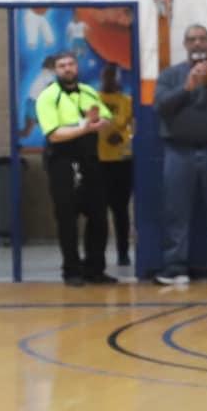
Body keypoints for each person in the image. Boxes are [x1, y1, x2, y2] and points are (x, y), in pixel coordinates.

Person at [154, 23, 207, 286]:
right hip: (178, 151)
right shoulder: (171, 75)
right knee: (175, 212)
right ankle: (175, 268)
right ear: (185, 44)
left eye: (202, 38)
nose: (198, 43)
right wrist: (188, 87)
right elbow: (161, 107)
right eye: (192, 39)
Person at [33, 49, 111, 287]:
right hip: (62, 162)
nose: (68, 69)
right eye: (62, 65)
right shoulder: (48, 97)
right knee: (67, 217)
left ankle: (95, 269)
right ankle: (72, 271)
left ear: (77, 67)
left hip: (90, 159)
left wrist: (99, 123)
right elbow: (54, 134)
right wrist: (84, 128)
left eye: (71, 64)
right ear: (55, 70)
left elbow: (106, 120)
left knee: (98, 216)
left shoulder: (89, 91)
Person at [96, 63, 136, 268]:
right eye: (107, 75)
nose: (111, 79)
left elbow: (134, 129)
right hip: (99, 162)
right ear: (102, 77)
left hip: (121, 162)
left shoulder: (127, 101)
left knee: (120, 210)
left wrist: (124, 139)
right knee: (98, 211)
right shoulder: (93, 100)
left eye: (114, 75)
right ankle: (98, 255)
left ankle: (123, 253)